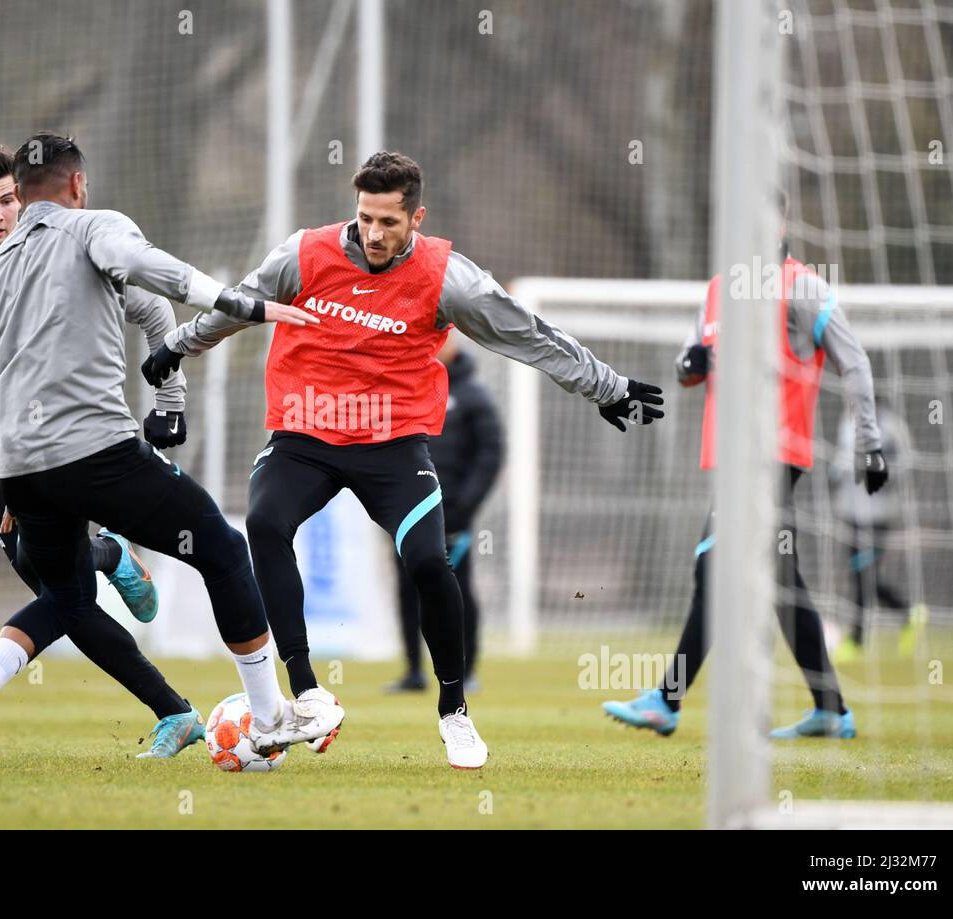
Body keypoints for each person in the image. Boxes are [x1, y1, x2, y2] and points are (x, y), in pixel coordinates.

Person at [143, 151, 664, 768]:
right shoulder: (305, 255)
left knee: (427, 561)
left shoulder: (448, 277)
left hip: (392, 445)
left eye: (389, 221)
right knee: (263, 525)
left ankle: (453, 712)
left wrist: (604, 386)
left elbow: (525, 333)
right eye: (365, 217)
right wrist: (177, 345)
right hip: (305, 435)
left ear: (417, 217)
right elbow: (239, 304)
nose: (374, 233)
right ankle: (306, 694)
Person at [0, 133, 340, 775]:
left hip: (21, 471)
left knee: (66, 597)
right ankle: (267, 718)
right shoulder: (96, 226)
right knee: (224, 550)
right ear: (77, 186)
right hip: (95, 452)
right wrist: (247, 305)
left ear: (21, 194)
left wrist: (2, 482)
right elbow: (154, 271)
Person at [0, 143, 203, 761]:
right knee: (67, 601)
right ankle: (171, 700)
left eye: (8, 199)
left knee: (62, 596)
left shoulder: (68, 249)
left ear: (23, 196)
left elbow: (153, 310)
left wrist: (169, 395)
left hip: (72, 449)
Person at [603, 192, 887, 740]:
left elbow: (856, 364)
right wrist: (689, 365)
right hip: (730, 459)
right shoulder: (717, 290)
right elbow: (689, 361)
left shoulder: (803, 286)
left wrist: (868, 444)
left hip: (776, 456)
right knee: (780, 581)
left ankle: (667, 700)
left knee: (713, 565)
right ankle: (831, 709)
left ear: (782, 222)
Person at [387, 333, 502, 695]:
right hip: (407, 512)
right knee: (408, 589)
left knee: (456, 590)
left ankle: (465, 671)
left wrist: (465, 503)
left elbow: (491, 454)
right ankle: (414, 671)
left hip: (452, 516)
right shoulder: (408, 389)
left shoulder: (473, 396)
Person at [829, 401, 926, 661]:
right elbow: (841, 459)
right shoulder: (847, 422)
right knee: (861, 575)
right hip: (852, 513)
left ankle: (857, 639)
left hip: (879, 515)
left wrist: (877, 472)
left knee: (862, 575)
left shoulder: (891, 428)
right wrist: (837, 473)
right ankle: (906, 613)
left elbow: (904, 466)